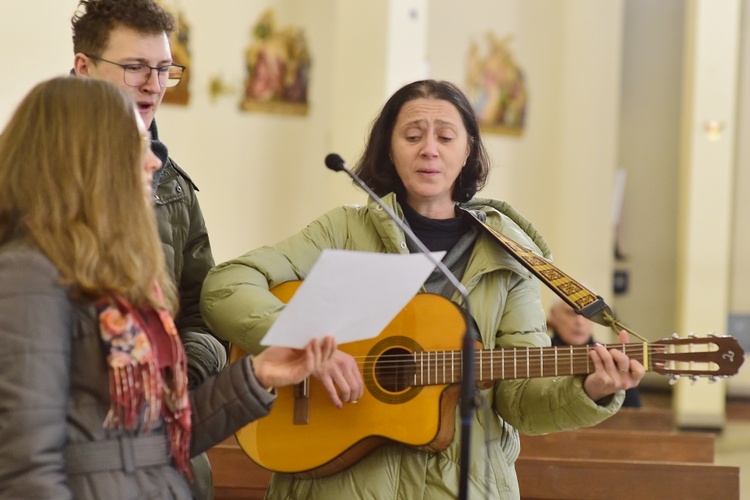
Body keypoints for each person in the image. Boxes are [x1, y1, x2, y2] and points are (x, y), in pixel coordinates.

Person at [200, 79, 646, 499]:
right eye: (412, 136)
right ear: (389, 150)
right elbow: (226, 286)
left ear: (469, 150)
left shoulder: (512, 256)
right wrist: (304, 341)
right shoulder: (343, 230)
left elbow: (519, 402)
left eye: (446, 137)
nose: (429, 149)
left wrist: (591, 392)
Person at [0, 76, 336, 499]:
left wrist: (258, 374)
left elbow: (160, 439)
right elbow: (27, 467)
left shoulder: (114, 278)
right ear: (84, 159)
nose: (154, 162)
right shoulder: (28, 275)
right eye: (135, 146)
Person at [70, 1, 223, 495]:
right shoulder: (37, 181)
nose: (153, 85)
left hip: (165, 458)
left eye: (163, 69)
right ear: (83, 68)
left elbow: (205, 311)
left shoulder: (172, 185)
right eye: (135, 67)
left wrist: (175, 368)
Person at [547, 298, 642, 408]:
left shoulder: (612, 357)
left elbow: (633, 415)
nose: (579, 321)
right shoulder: (537, 353)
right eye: (571, 313)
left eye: (587, 314)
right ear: (553, 315)